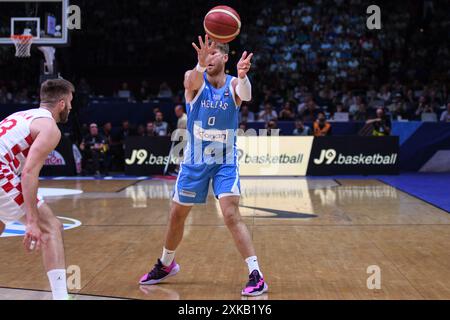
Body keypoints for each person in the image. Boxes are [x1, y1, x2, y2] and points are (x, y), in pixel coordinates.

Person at [140, 35, 268, 296]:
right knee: (177, 215)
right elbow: (190, 82)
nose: (208, 58)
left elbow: (246, 95)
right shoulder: (195, 77)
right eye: (205, 54)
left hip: (224, 160)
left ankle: (256, 274)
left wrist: (243, 76)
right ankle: (166, 264)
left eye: (214, 54)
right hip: (195, 160)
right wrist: (198, 65)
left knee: (231, 213)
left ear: (224, 57)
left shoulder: (234, 83)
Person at [0, 79, 74, 300]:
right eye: (70, 102)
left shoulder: (21, 116)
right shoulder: (50, 128)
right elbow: (29, 173)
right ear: (61, 103)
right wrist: (32, 221)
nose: (71, 107)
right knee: (51, 227)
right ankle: (61, 297)